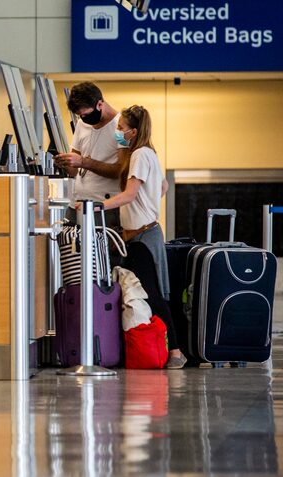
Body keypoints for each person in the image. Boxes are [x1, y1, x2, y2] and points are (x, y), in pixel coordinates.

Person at [101, 105, 187, 370]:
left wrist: (96, 206)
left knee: (153, 294)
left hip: (143, 236)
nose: (117, 132)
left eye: (121, 128)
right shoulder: (148, 153)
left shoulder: (139, 155)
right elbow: (162, 186)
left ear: (133, 131)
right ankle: (160, 347)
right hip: (142, 233)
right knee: (148, 292)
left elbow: (129, 194)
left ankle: (176, 351)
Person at [55, 82, 129, 230]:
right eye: (80, 116)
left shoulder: (120, 127)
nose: (83, 118)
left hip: (103, 207)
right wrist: (65, 162)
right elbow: (74, 171)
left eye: (86, 114)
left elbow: (120, 170)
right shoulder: (82, 124)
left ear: (100, 104)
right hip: (77, 203)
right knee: (70, 250)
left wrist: (83, 162)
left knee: (99, 252)